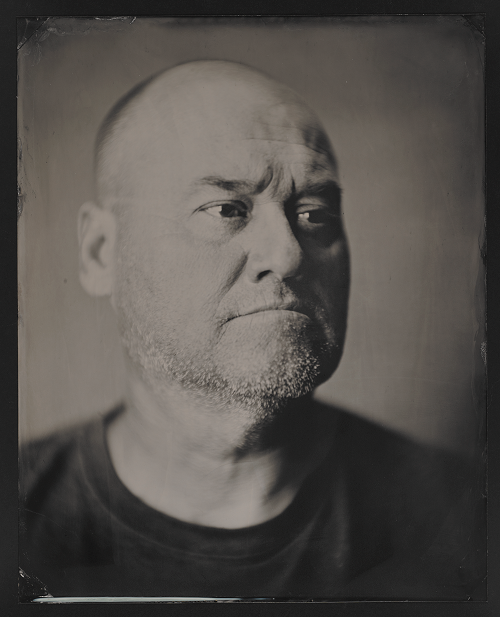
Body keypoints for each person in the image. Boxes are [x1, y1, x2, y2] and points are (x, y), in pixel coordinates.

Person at [19, 60, 484, 600]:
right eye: (225, 209)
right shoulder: (23, 524)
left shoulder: (462, 519)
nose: (287, 255)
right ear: (102, 253)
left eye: (313, 214)